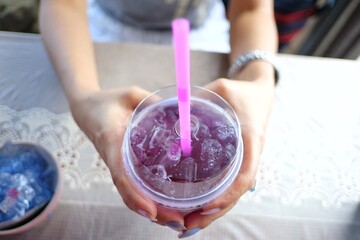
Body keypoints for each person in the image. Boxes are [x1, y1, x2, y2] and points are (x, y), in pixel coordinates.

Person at [39, 0, 278, 238]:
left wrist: (258, 80)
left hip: (206, 40)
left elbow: (251, 8)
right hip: (91, 40)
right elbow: (62, 4)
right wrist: (83, 96)